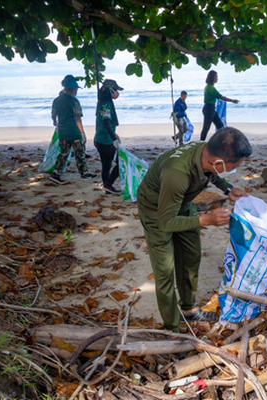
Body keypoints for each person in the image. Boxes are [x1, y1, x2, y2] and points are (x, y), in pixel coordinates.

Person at [137, 127, 252, 332]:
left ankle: (188, 309)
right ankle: (172, 327)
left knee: (191, 256)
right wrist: (205, 220)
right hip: (157, 212)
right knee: (165, 270)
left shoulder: (205, 151)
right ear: (218, 163)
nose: (233, 170)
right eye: (232, 168)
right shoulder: (177, 174)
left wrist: (228, 188)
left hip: (183, 203)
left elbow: (212, 173)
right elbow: (166, 222)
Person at [49, 75, 97, 184]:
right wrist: (82, 133)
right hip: (74, 131)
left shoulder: (56, 100)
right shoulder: (74, 101)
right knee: (80, 153)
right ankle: (84, 174)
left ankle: (55, 173)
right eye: (76, 89)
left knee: (63, 153)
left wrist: (55, 122)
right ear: (72, 89)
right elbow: (77, 118)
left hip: (62, 130)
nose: (76, 91)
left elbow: (53, 115)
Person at [94, 79, 124, 195]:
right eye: (115, 90)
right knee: (120, 161)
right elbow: (106, 122)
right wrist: (114, 138)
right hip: (105, 140)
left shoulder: (103, 102)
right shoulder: (105, 104)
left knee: (106, 165)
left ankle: (108, 188)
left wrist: (114, 135)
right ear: (110, 90)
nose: (117, 93)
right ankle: (108, 184)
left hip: (101, 139)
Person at [199, 71, 239, 141]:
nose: (217, 78)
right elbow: (221, 97)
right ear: (212, 77)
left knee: (220, 126)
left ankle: (221, 141)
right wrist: (232, 100)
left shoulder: (209, 86)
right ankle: (200, 142)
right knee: (206, 128)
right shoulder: (210, 88)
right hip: (209, 109)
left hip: (211, 109)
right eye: (216, 76)